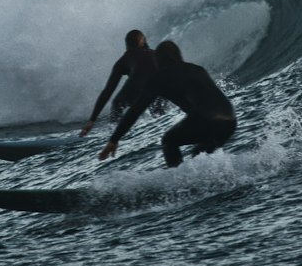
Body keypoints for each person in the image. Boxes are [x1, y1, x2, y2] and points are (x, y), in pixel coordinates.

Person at [98, 40, 236, 167]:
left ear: (158, 60)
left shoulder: (160, 78)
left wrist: (114, 140)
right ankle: (213, 181)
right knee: (199, 154)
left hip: (205, 117)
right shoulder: (197, 69)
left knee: (169, 140)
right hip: (230, 120)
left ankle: (179, 183)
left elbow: (136, 110)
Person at [80, 29, 156, 136]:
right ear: (143, 42)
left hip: (137, 89)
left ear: (127, 45)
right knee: (159, 116)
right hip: (160, 88)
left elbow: (108, 91)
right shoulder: (156, 53)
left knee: (117, 103)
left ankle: (113, 135)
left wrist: (92, 120)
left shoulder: (123, 60)